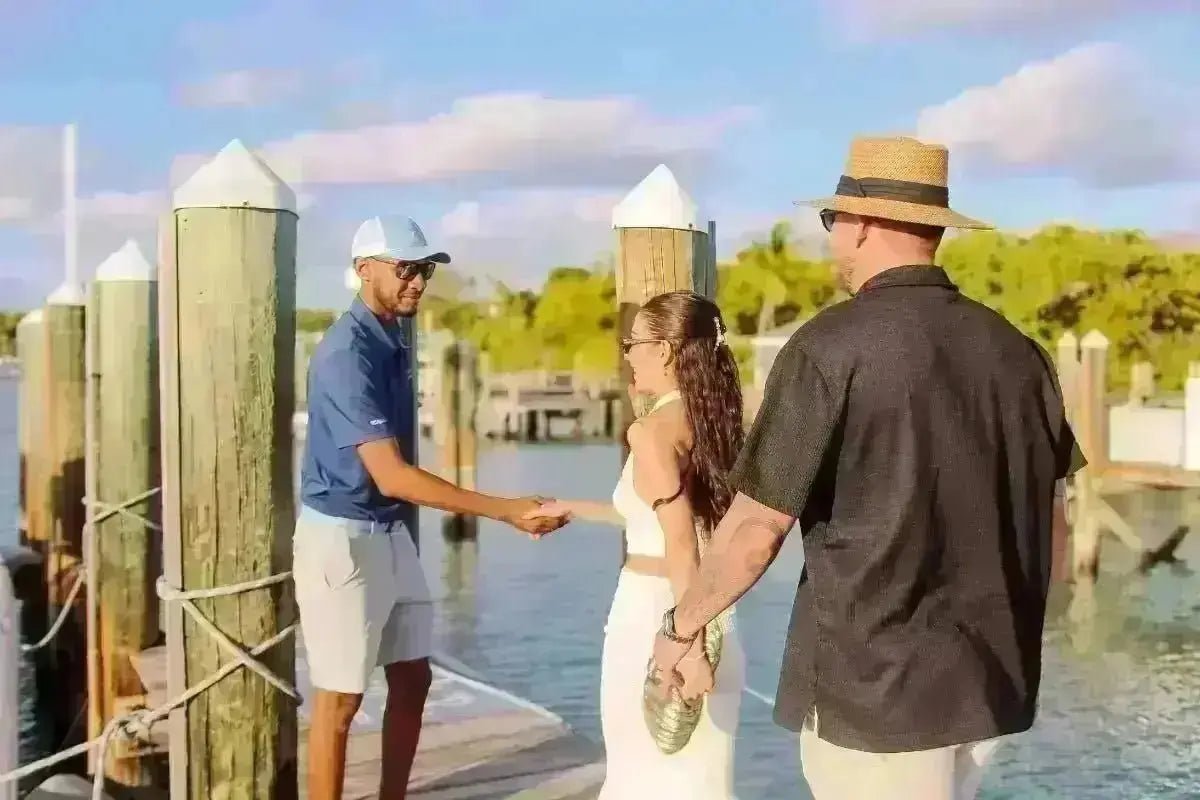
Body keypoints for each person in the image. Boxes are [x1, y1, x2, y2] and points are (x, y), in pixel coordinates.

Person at [649, 136, 1085, 799]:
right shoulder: (1020, 354)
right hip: (988, 690)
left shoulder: (828, 348)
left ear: (863, 223)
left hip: (874, 698)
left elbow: (755, 530)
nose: (832, 241)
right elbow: (1054, 534)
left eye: (834, 221)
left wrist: (680, 627)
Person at [295, 215, 566, 800]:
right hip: (341, 539)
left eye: (424, 270)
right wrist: (504, 509)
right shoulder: (346, 354)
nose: (418, 281)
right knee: (339, 701)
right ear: (364, 269)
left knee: (413, 677)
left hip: (390, 533)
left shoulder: (395, 336)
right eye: (405, 268)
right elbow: (391, 475)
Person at [530, 291, 747, 799]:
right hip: (715, 617)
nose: (627, 354)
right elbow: (673, 524)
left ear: (666, 351)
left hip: (660, 617)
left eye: (634, 343)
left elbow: (679, 546)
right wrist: (573, 508)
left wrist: (685, 647)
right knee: (701, 782)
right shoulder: (718, 423)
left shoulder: (651, 432)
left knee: (639, 779)